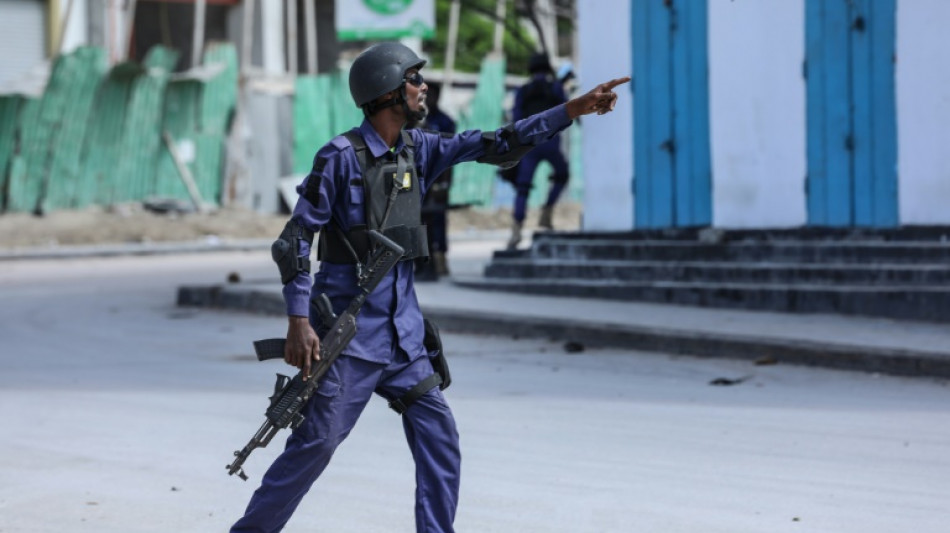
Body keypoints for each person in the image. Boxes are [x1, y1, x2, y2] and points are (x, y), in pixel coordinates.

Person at [230, 41, 629, 533]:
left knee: (440, 439)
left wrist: (572, 109)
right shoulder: (338, 159)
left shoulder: (422, 150)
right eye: (415, 80)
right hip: (346, 339)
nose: (425, 88)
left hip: (404, 338)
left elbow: (499, 142)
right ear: (387, 93)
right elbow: (294, 240)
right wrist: (296, 321)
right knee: (315, 447)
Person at [506, 52, 572, 250]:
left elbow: (516, 118)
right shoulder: (555, 88)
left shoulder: (523, 91)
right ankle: (547, 212)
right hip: (551, 143)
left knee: (523, 187)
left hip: (529, 145)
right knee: (562, 175)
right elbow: (567, 114)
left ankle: (516, 231)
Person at [415, 81, 457, 281]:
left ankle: (440, 258)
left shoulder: (445, 121)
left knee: (437, 219)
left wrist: (445, 184)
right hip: (419, 180)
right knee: (419, 220)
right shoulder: (419, 120)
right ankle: (424, 262)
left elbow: (450, 154)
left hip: (439, 177)